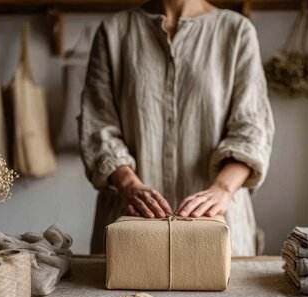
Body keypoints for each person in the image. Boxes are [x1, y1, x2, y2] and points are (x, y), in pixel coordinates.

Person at [78, 0, 274, 256]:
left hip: (217, 230)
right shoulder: (114, 32)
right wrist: (130, 186)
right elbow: (98, 126)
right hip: (131, 228)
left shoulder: (236, 31)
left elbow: (253, 128)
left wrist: (222, 189)